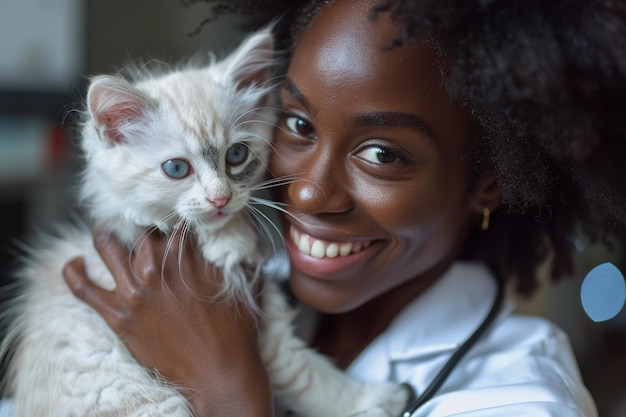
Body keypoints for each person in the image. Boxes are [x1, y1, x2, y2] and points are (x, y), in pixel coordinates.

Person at [57, 0, 626, 415]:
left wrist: (228, 390)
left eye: (381, 153)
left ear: (487, 183)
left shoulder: (521, 400)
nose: (306, 194)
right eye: (299, 125)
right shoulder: (257, 270)